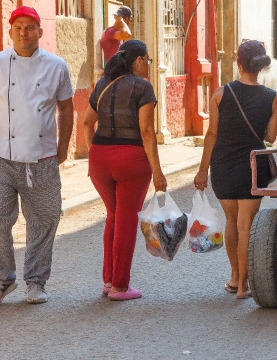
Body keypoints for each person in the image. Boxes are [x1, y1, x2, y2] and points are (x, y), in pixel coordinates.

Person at [193, 40, 277, 300]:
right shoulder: (271, 98)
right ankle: (244, 285)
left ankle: (234, 277)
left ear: (238, 62)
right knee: (246, 225)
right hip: (254, 165)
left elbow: (211, 134)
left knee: (231, 221)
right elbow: (271, 137)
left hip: (223, 165)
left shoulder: (221, 94)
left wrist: (201, 170)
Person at [0, 6, 74, 304]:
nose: (23, 32)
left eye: (30, 27)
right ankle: (4, 278)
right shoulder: (0, 62)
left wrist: (63, 148)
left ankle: (36, 281)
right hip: (2, 156)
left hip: (42, 158)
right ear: (10, 32)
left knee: (44, 220)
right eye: (18, 27)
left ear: (40, 32)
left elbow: (66, 108)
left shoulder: (56, 65)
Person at [83, 40, 167, 301]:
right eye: (148, 60)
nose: (149, 65)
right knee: (127, 219)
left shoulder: (103, 84)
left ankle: (108, 280)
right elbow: (146, 132)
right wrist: (158, 171)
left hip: (99, 158)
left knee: (113, 216)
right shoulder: (142, 87)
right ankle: (120, 286)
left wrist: (95, 152)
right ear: (138, 61)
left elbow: (87, 122)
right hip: (130, 159)